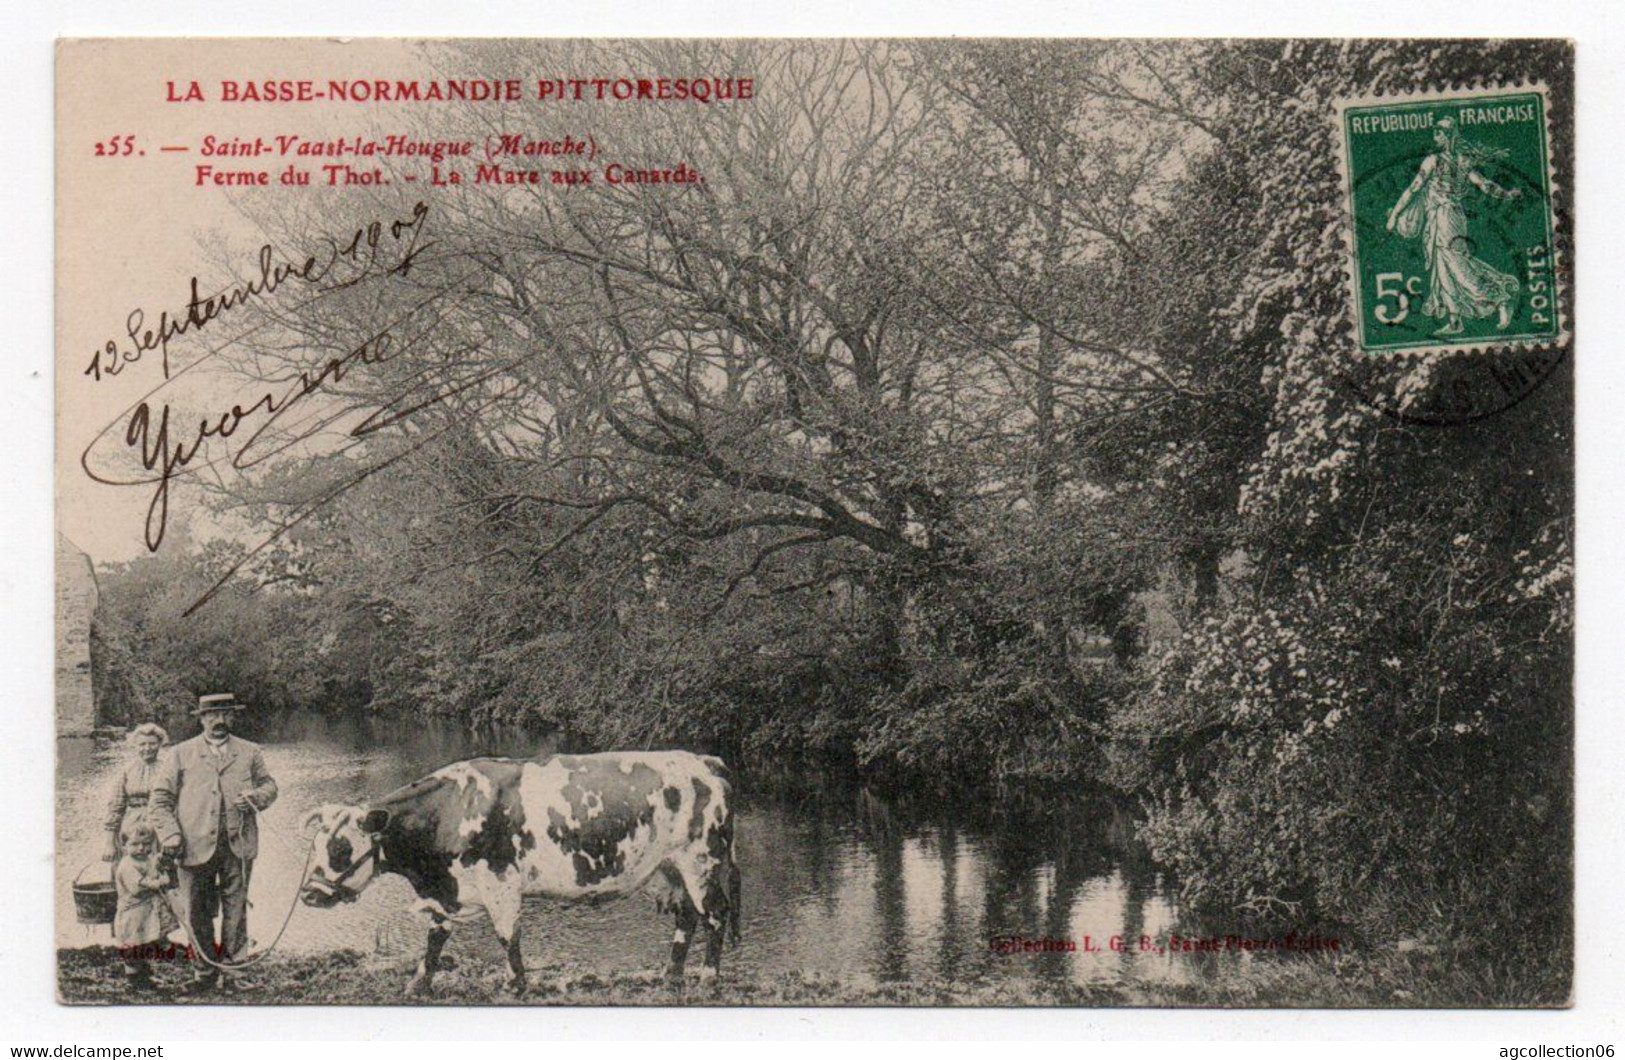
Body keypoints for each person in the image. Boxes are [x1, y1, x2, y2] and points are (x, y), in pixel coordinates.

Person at [149, 693, 278, 992]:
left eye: (225, 715)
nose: (219, 721)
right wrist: (170, 835)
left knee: (236, 909)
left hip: (238, 844)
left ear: (233, 717)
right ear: (202, 719)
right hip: (192, 846)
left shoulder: (250, 751)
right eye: (212, 716)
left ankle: (234, 973)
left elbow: (269, 785)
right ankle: (203, 974)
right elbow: (160, 800)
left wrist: (257, 797)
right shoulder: (180, 753)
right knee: (196, 911)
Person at [1385, 116, 1523, 337]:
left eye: (1438, 132)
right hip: (1451, 217)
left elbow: (1413, 189)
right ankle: (1455, 320)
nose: (1435, 136)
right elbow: (1484, 185)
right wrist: (1505, 194)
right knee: (1443, 267)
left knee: (1457, 264)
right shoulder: (1463, 161)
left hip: (1445, 217)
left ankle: (1501, 297)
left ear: (1447, 135)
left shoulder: (1433, 160)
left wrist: (1394, 215)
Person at [112, 823, 171, 990]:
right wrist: (160, 882)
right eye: (135, 844)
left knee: (143, 943)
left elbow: (154, 870)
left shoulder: (147, 860)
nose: (141, 848)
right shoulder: (127, 865)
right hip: (132, 912)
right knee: (132, 945)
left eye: (146, 844)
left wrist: (161, 868)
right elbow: (137, 888)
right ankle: (134, 979)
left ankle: (145, 976)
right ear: (124, 845)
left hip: (146, 910)